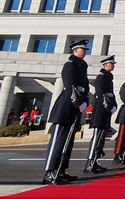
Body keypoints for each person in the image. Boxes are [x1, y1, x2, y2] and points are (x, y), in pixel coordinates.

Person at [43, 39, 89, 185]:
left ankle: (61, 170)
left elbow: (85, 86)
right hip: (66, 106)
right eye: (83, 49)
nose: (85, 51)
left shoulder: (82, 66)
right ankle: (50, 171)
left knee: (67, 141)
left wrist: (85, 101)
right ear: (75, 50)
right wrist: (78, 102)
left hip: (75, 107)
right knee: (58, 140)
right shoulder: (70, 65)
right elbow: (70, 86)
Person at [84, 55, 117, 174]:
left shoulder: (108, 78)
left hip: (106, 111)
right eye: (111, 64)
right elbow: (101, 94)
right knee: (97, 137)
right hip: (101, 111)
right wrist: (108, 106)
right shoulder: (101, 78)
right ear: (105, 65)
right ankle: (89, 162)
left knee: (101, 139)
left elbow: (111, 95)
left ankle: (95, 161)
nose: (113, 65)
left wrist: (114, 106)